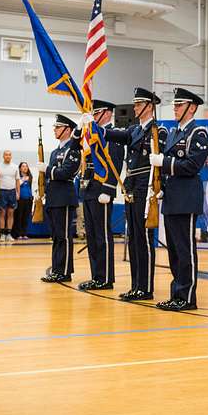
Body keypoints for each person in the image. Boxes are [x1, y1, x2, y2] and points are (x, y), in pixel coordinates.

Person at [149, 88, 208, 311]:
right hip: (172, 197)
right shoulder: (175, 133)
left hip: (186, 198)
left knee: (185, 250)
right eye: (174, 105)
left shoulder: (198, 133)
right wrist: (162, 186)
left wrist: (163, 162)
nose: (175, 108)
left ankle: (187, 297)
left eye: (179, 104)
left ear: (191, 107)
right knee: (174, 250)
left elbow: (192, 165)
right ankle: (177, 294)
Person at [105, 87, 166, 300]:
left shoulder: (159, 131)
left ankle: (146, 287)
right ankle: (136, 285)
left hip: (145, 188)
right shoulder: (135, 130)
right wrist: (97, 129)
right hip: (131, 187)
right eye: (135, 104)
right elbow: (115, 135)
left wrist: (157, 190)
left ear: (150, 106)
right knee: (133, 239)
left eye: (139, 104)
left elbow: (158, 167)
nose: (135, 107)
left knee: (144, 239)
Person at [79, 99, 124, 291]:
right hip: (89, 189)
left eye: (97, 113)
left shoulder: (113, 135)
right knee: (92, 236)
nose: (94, 117)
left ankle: (105, 278)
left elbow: (115, 163)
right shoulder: (91, 134)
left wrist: (108, 189)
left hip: (102, 190)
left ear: (107, 113)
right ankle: (96, 276)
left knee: (102, 236)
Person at [37, 115, 81, 282]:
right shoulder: (56, 151)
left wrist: (48, 169)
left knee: (64, 236)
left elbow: (66, 173)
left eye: (58, 127)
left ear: (67, 130)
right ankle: (56, 269)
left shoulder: (73, 149)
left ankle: (64, 271)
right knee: (56, 236)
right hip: (53, 198)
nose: (55, 130)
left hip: (64, 198)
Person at [0, 149, 20, 241]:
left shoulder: (15, 167)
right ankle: (2, 233)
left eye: (9, 155)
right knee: (2, 213)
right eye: (6, 155)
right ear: (3, 156)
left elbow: (17, 180)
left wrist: (18, 193)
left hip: (12, 192)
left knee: (11, 213)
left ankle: (9, 234)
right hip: (2, 192)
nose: (8, 156)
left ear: (11, 156)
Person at [11, 161, 34, 239]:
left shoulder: (30, 177)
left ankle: (24, 233)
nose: (25, 168)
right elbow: (15, 186)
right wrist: (22, 180)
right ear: (20, 168)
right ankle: (18, 233)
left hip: (28, 199)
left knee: (26, 217)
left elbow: (30, 188)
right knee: (19, 216)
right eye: (23, 166)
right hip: (20, 199)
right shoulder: (18, 178)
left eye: (26, 166)